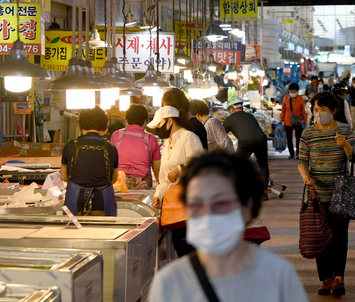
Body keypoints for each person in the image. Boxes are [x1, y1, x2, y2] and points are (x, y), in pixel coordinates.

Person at [149, 152, 309, 302]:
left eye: (220, 203)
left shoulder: (279, 276)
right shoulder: (170, 282)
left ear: (247, 208)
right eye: (196, 203)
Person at [298, 92, 355, 297]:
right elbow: (302, 162)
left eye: (323, 109)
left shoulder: (345, 130)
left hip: (341, 192)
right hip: (317, 193)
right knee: (320, 236)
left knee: (340, 237)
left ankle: (339, 278)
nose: (319, 113)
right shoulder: (308, 134)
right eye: (315, 109)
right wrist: (306, 176)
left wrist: (345, 145)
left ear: (333, 111)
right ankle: (326, 279)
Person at [150, 106, 205, 257]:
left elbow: (201, 165)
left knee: (190, 246)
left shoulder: (189, 137)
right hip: (175, 205)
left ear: (169, 121)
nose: (157, 130)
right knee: (179, 245)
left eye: (159, 125)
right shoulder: (168, 143)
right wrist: (158, 194)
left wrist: (180, 169)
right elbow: (163, 177)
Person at [61, 106, 118, 216]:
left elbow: (63, 176)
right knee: (102, 232)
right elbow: (114, 178)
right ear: (105, 125)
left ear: (81, 124)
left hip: (75, 201)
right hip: (103, 203)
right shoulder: (111, 148)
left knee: (74, 233)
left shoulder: (70, 146)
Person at [110, 104, 161, 189]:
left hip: (119, 183)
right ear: (145, 121)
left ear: (126, 121)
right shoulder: (151, 138)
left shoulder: (116, 135)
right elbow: (157, 167)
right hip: (142, 183)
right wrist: (159, 183)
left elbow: (110, 161)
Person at [223, 96, 270, 188]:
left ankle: (240, 188)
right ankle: (264, 192)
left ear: (232, 108)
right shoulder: (250, 116)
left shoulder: (229, 119)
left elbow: (220, 133)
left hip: (245, 142)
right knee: (263, 165)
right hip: (261, 139)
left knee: (237, 165)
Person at [280, 83, 307, 159]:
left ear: (297, 91)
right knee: (289, 138)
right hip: (287, 121)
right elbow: (283, 109)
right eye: (291, 91)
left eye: (294, 92)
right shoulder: (286, 98)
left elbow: (303, 110)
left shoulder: (300, 98)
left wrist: (305, 119)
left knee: (299, 137)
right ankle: (291, 154)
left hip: (298, 121)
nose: (292, 93)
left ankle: (298, 153)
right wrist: (281, 118)